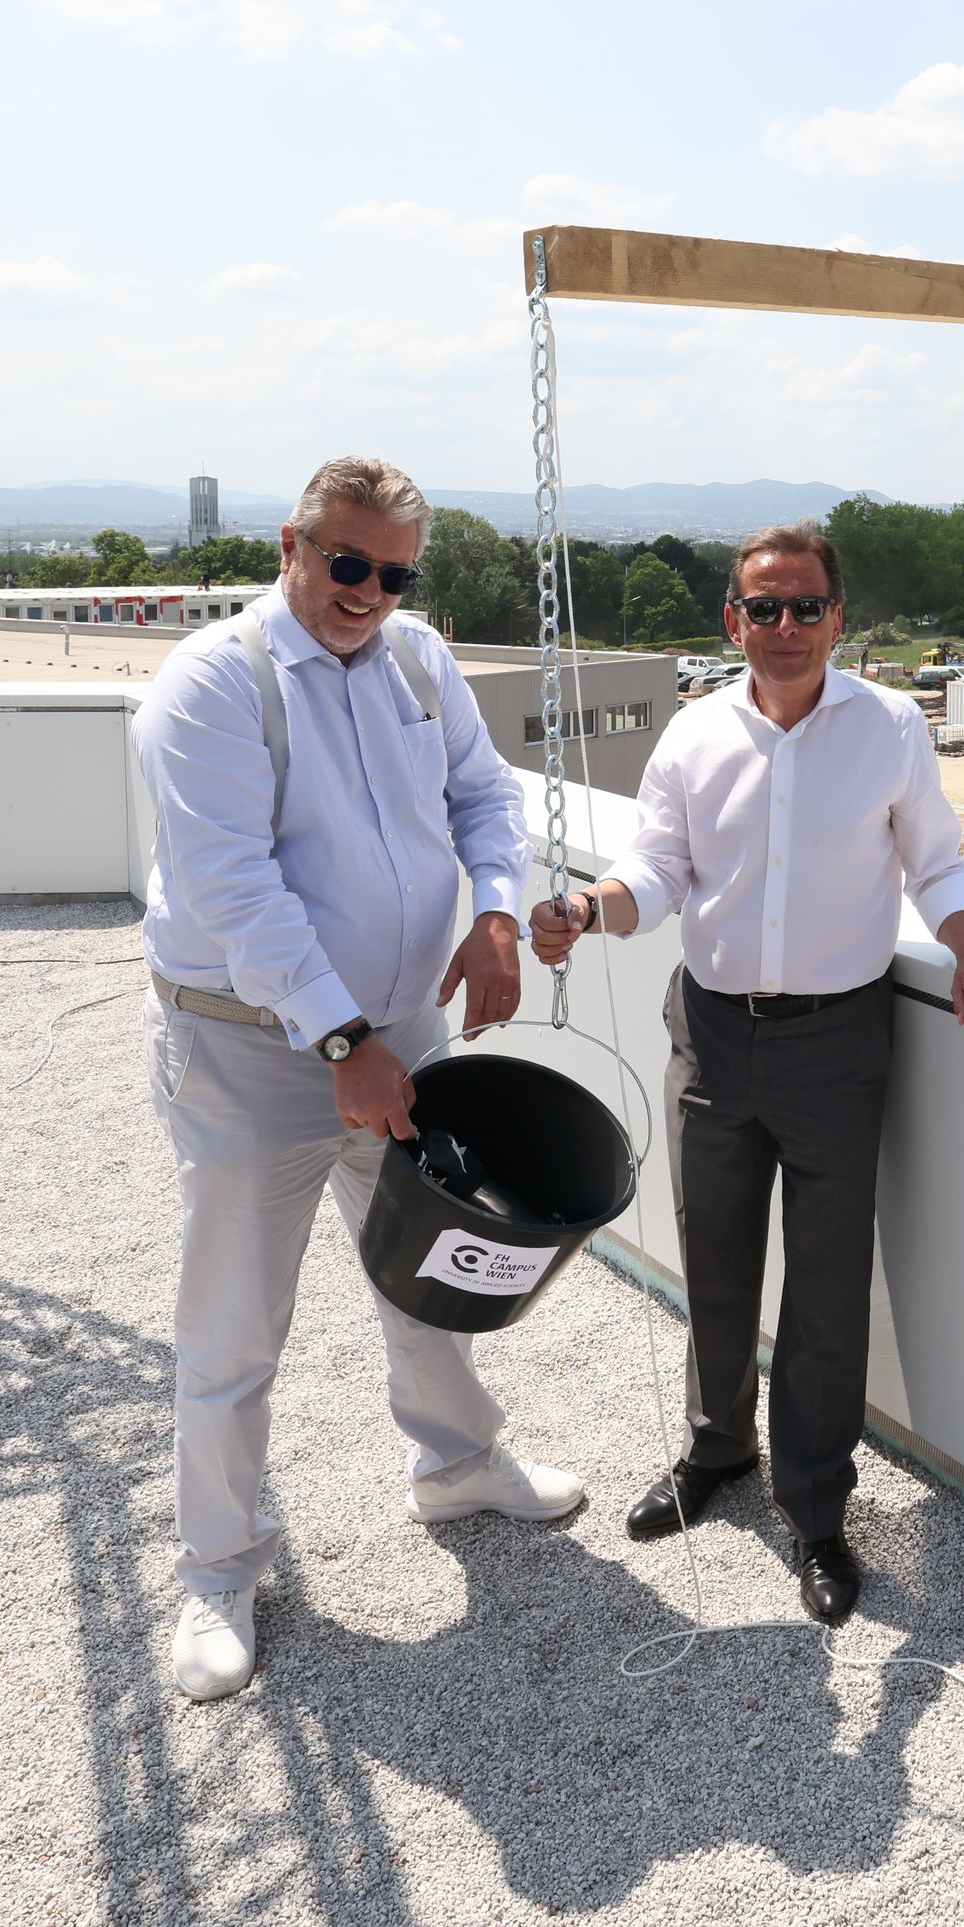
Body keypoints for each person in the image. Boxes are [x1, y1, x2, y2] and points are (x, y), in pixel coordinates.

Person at [131, 455, 586, 1703]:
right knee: (233, 1321)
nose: (368, 594)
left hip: (402, 1034)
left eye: (394, 574)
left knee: (430, 1268)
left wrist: (495, 915)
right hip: (251, 1050)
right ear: (292, 545)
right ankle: (218, 1568)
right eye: (347, 565)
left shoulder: (419, 660)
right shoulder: (214, 684)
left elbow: (485, 798)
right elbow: (235, 892)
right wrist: (343, 1044)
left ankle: (455, 1465)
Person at [526, 521, 964, 1626]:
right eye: (763, 608)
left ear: (839, 618)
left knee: (829, 1286)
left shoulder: (889, 725)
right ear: (731, 620)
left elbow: (935, 858)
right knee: (715, 1258)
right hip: (710, 1033)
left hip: (837, 1040)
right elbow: (656, 868)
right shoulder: (693, 736)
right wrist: (586, 910)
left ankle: (816, 1508)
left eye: (804, 607)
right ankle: (717, 1454)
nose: (783, 628)